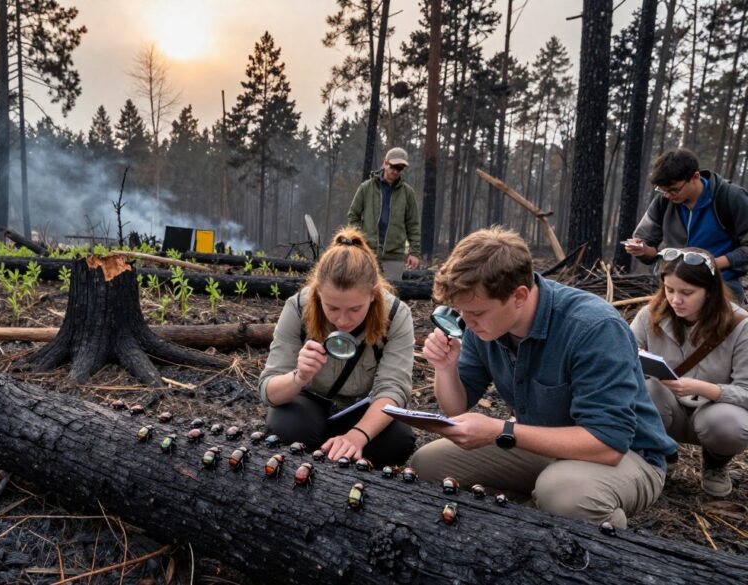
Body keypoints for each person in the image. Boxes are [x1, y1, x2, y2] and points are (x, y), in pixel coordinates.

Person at [412, 227, 677, 529]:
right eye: (461, 311)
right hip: (542, 445)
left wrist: (502, 430)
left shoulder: (593, 328)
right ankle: (533, 512)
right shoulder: (482, 322)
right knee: (428, 465)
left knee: (564, 495)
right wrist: (445, 367)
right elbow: (456, 407)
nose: (467, 322)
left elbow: (609, 442)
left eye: (476, 313)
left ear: (520, 296)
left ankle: (604, 534)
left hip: (628, 455)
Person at [258, 226, 416, 467]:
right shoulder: (298, 307)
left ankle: (340, 455)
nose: (342, 321)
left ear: (374, 294)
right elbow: (269, 390)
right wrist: (298, 377)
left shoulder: (396, 315)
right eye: (332, 308)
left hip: (361, 409)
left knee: (398, 439)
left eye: (355, 309)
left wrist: (358, 435)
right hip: (309, 405)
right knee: (285, 426)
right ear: (318, 293)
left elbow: (392, 390)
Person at [630, 247, 748, 497]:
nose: (675, 300)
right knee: (645, 390)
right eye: (669, 290)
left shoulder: (740, 325)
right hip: (663, 409)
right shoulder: (649, 315)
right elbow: (618, 363)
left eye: (687, 293)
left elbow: (747, 392)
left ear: (709, 292)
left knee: (729, 425)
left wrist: (701, 388)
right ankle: (656, 454)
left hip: (712, 411)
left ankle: (716, 464)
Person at [626, 148, 748, 301]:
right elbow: (647, 244)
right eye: (663, 191)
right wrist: (641, 249)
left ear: (695, 176)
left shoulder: (731, 197)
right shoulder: (664, 200)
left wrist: (711, 264)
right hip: (672, 287)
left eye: (674, 190)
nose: (668, 195)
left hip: (720, 286)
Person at [347, 147, 421, 280]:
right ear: (385, 163)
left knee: (390, 297)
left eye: (400, 168)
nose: (396, 171)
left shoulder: (408, 193)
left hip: (394, 257)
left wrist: (414, 252)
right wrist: (359, 238)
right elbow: (353, 216)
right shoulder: (366, 188)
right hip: (366, 254)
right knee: (364, 295)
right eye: (393, 166)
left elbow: (413, 225)